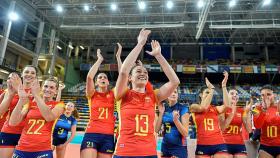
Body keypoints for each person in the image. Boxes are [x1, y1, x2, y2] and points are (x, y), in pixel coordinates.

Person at [114, 29, 180, 157]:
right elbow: (123, 71)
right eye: (138, 71)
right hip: (125, 152)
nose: (143, 74)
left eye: (145, 73)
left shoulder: (153, 95)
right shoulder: (122, 94)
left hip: (149, 153)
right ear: (130, 78)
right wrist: (140, 44)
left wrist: (158, 56)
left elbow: (174, 81)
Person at [9, 77, 65, 158]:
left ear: (56, 91)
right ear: (42, 88)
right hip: (22, 148)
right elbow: (13, 122)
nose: (47, 89)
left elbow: (49, 117)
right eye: (45, 86)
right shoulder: (30, 104)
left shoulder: (59, 105)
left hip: (42, 150)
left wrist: (37, 95)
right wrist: (21, 100)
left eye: (51, 87)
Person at [80, 49, 116, 158]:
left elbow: (123, 77)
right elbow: (89, 77)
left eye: (105, 77)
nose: (103, 78)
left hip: (108, 135)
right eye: (100, 77)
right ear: (96, 82)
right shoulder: (92, 94)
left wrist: (119, 59)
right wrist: (100, 60)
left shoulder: (113, 93)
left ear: (108, 82)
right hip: (92, 133)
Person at [0, 66, 37, 158]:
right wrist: (11, 94)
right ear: (22, 74)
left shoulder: (38, 93)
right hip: (8, 130)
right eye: (27, 72)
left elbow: (28, 109)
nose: (29, 74)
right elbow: (1, 111)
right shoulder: (9, 90)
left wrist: (19, 92)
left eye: (32, 73)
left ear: (36, 77)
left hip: (26, 134)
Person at [190, 71, 229, 158]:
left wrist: (224, 86)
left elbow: (227, 105)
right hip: (202, 144)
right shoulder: (194, 107)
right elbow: (203, 107)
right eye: (206, 93)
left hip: (219, 143)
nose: (209, 94)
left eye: (210, 93)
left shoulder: (215, 108)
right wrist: (211, 89)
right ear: (200, 95)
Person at [155, 88, 189, 158]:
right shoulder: (164, 109)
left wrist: (176, 121)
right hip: (165, 146)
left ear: (178, 95)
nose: (173, 94)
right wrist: (161, 113)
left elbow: (185, 133)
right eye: (171, 92)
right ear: (166, 95)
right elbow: (156, 130)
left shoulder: (183, 108)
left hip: (179, 147)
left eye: (175, 92)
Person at [219, 87, 253, 158]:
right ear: (227, 96)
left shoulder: (241, 111)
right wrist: (233, 112)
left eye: (236, 94)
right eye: (232, 93)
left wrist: (248, 112)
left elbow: (249, 130)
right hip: (224, 143)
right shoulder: (222, 109)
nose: (235, 95)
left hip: (239, 143)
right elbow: (222, 128)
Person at [252, 85, 280, 158]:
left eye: (268, 94)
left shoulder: (279, 107)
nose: (265, 97)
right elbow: (257, 126)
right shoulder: (256, 108)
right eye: (263, 95)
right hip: (265, 146)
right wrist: (264, 110)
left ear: (275, 95)